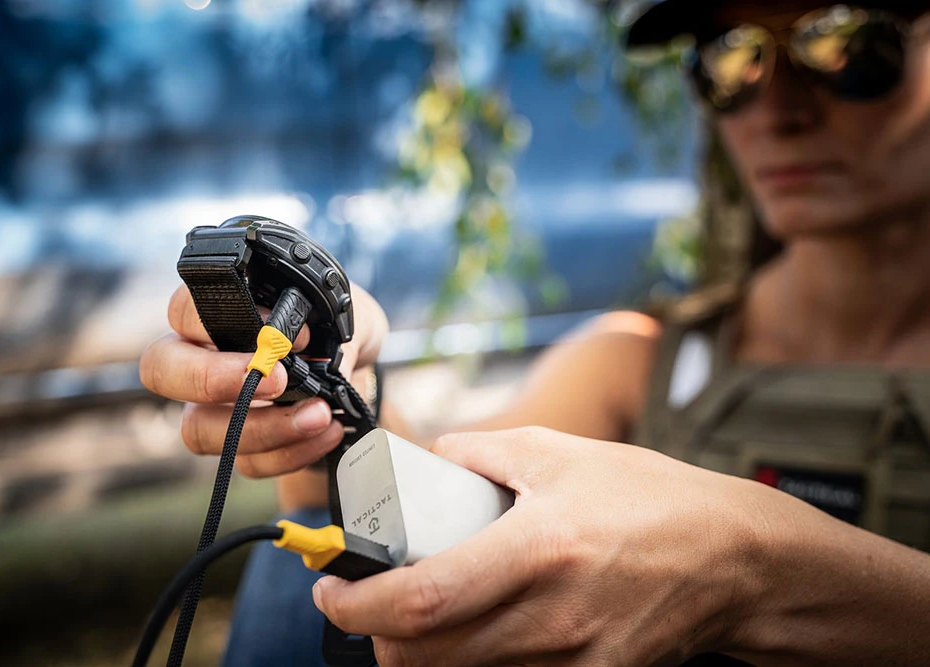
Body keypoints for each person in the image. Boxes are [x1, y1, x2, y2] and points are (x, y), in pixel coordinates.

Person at [139, 0, 930, 664]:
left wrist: (747, 568)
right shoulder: (642, 361)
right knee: (310, 562)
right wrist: (333, 380)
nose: (779, 110)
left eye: (845, 43)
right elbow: (411, 502)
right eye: (732, 57)